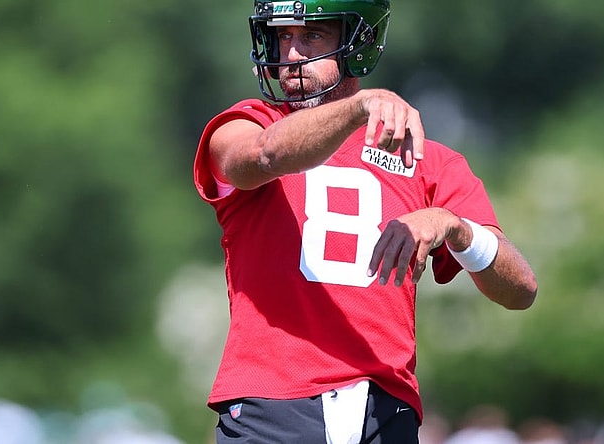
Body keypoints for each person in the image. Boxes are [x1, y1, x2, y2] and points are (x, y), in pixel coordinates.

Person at [193, 1, 538, 442]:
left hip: (386, 406)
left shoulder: (430, 160)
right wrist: (361, 105)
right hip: (274, 401)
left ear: (358, 43)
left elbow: (521, 290)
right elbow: (262, 155)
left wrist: (454, 226)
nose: (292, 55)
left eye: (312, 35)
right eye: (282, 36)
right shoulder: (246, 124)